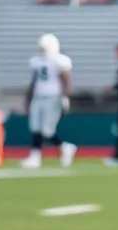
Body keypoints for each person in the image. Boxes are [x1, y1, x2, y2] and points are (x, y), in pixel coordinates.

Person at [20, 33, 77, 168]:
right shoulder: (36, 61)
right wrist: (28, 99)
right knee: (35, 127)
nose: (42, 51)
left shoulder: (59, 61)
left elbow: (66, 79)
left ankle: (64, 147)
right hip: (38, 96)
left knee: (47, 130)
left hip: (53, 97)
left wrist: (65, 97)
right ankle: (35, 156)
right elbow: (33, 82)